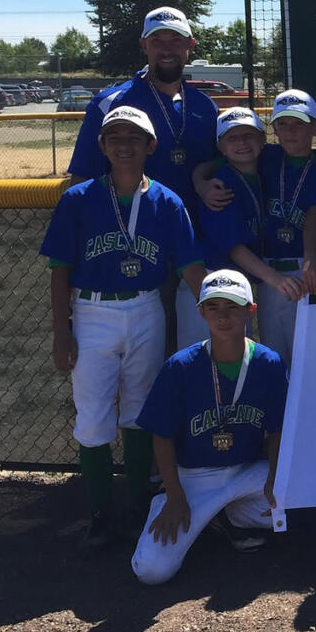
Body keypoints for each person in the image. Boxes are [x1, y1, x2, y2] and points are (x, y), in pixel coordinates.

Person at [40, 106, 206, 552]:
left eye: (134, 137)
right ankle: (99, 516)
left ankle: (135, 510)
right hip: (92, 311)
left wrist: (215, 311)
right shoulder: (79, 199)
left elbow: (189, 264)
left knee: (138, 411)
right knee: (93, 417)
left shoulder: (167, 201)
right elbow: (60, 270)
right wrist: (61, 331)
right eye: (115, 137)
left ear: (152, 146)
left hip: (147, 308)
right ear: (102, 146)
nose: (124, 144)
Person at [131, 269, 288, 585]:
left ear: (250, 310)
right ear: (201, 311)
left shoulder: (267, 362)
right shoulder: (181, 366)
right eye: (213, 307)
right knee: (152, 572)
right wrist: (175, 495)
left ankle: (227, 516)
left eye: (233, 306)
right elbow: (161, 437)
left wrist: (274, 476)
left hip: (247, 472)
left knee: (303, 503)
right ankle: (176, 506)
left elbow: (277, 430)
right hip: (194, 479)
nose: (223, 316)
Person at [68, 7, 218, 208]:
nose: (167, 50)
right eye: (157, 40)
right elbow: (83, 179)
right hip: (133, 233)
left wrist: (201, 180)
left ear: (190, 44)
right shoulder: (109, 104)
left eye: (175, 39)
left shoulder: (206, 106)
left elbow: (220, 165)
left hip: (196, 234)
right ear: (144, 45)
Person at [256, 89, 316, 364]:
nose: (290, 131)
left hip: (306, 270)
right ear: (274, 128)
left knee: (306, 358)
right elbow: (216, 162)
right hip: (268, 272)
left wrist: (312, 257)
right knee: (272, 358)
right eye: (283, 124)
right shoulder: (265, 158)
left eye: (299, 124)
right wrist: (200, 179)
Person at [182, 107, 270, 349]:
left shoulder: (268, 166)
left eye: (249, 135)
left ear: (263, 139)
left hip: (237, 287)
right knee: (201, 359)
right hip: (208, 282)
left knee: (238, 357)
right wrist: (276, 279)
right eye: (232, 138)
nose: (242, 143)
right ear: (220, 146)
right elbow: (234, 249)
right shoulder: (219, 185)